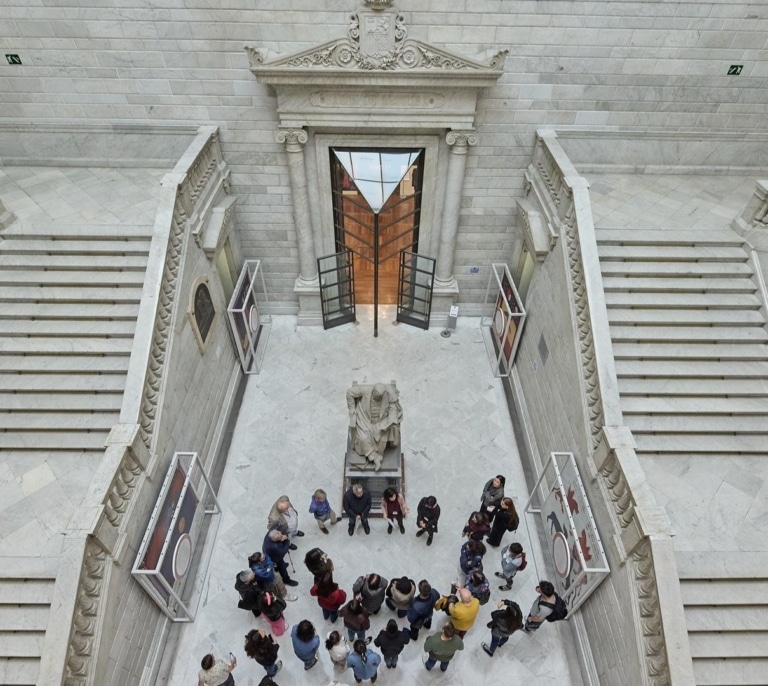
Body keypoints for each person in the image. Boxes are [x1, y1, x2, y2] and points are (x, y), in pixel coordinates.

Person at [346, 382, 403, 471]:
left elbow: (393, 409)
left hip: (380, 421)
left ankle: (379, 455)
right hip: (364, 419)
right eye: (375, 395)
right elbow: (349, 393)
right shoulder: (365, 390)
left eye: (379, 397)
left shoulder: (388, 393)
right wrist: (352, 408)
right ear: (373, 391)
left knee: (382, 434)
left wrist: (389, 422)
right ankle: (374, 457)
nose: (376, 398)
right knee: (363, 438)